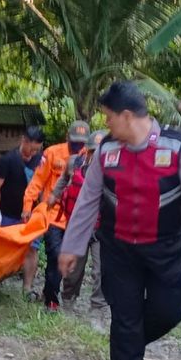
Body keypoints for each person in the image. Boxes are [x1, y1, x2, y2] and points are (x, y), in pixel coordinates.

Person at [60, 82, 181, 360]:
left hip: (166, 249)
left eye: (108, 117)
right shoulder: (106, 152)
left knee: (171, 309)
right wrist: (72, 247)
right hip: (118, 249)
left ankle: (128, 343)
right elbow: (86, 202)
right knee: (124, 312)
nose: (105, 124)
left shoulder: (178, 148)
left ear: (126, 115)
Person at [24, 120, 91, 310]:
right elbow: (37, 181)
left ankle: (51, 291)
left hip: (76, 219)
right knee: (55, 255)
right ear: (67, 137)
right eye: (74, 141)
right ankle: (52, 300)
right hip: (52, 216)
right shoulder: (52, 153)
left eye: (82, 142)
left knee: (68, 260)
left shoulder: (89, 156)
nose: (78, 146)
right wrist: (28, 205)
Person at [52, 129, 109, 319]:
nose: (97, 156)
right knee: (73, 270)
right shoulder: (74, 163)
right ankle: (68, 301)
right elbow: (63, 181)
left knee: (101, 271)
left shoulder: (114, 171)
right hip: (79, 227)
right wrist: (52, 198)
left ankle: (97, 310)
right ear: (88, 150)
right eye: (94, 151)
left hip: (102, 229)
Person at [0, 126, 46, 297]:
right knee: (2, 250)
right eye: (32, 147)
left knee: (32, 250)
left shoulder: (41, 161)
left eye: (37, 149)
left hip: (31, 216)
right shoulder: (7, 160)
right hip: (8, 213)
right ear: (24, 141)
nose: (33, 152)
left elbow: (44, 186)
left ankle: (27, 288)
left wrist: (43, 209)